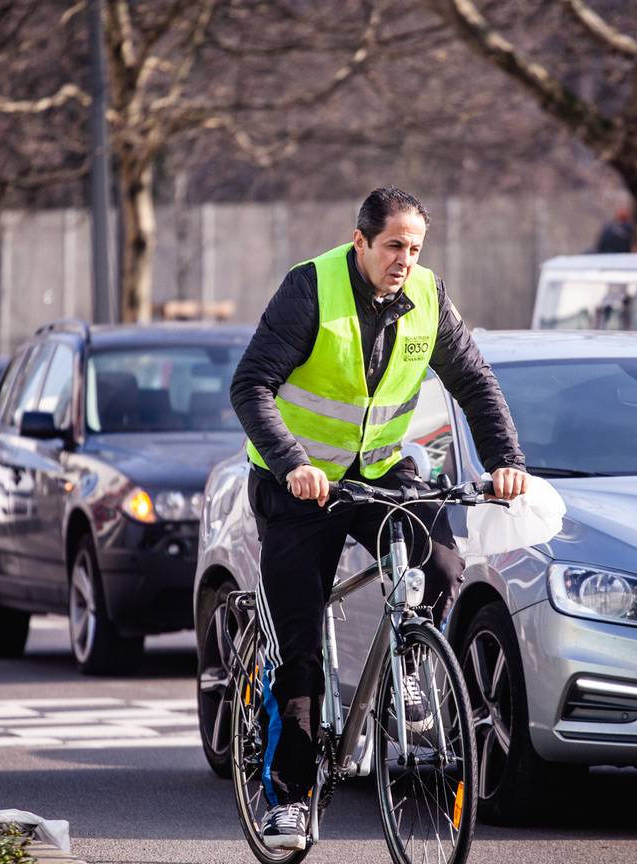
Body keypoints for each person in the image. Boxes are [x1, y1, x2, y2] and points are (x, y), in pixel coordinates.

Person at [230, 187, 528, 851]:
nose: (405, 259)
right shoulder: (309, 289)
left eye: (415, 247)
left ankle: (411, 660)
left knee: (441, 556)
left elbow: (475, 383)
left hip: (377, 471)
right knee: (297, 650)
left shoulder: (428, 295)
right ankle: (290, 798)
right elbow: (250, 385)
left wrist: (506, 461)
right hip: (298, 485)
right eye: (393, 245)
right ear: (359, 240)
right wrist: (291, 463)